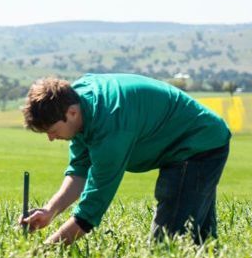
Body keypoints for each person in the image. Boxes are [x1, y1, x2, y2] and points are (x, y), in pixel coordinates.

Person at [19, 73, 231, 245]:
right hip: (188, 143)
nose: (51, 138)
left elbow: (89, 213)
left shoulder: (111, 126)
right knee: (201, 243)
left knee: (168, 246)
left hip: (199, 146)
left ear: (72, 113)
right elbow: (80, 170)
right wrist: (49, 211)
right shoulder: (79, 100)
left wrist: (45, 252)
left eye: (53, 130)